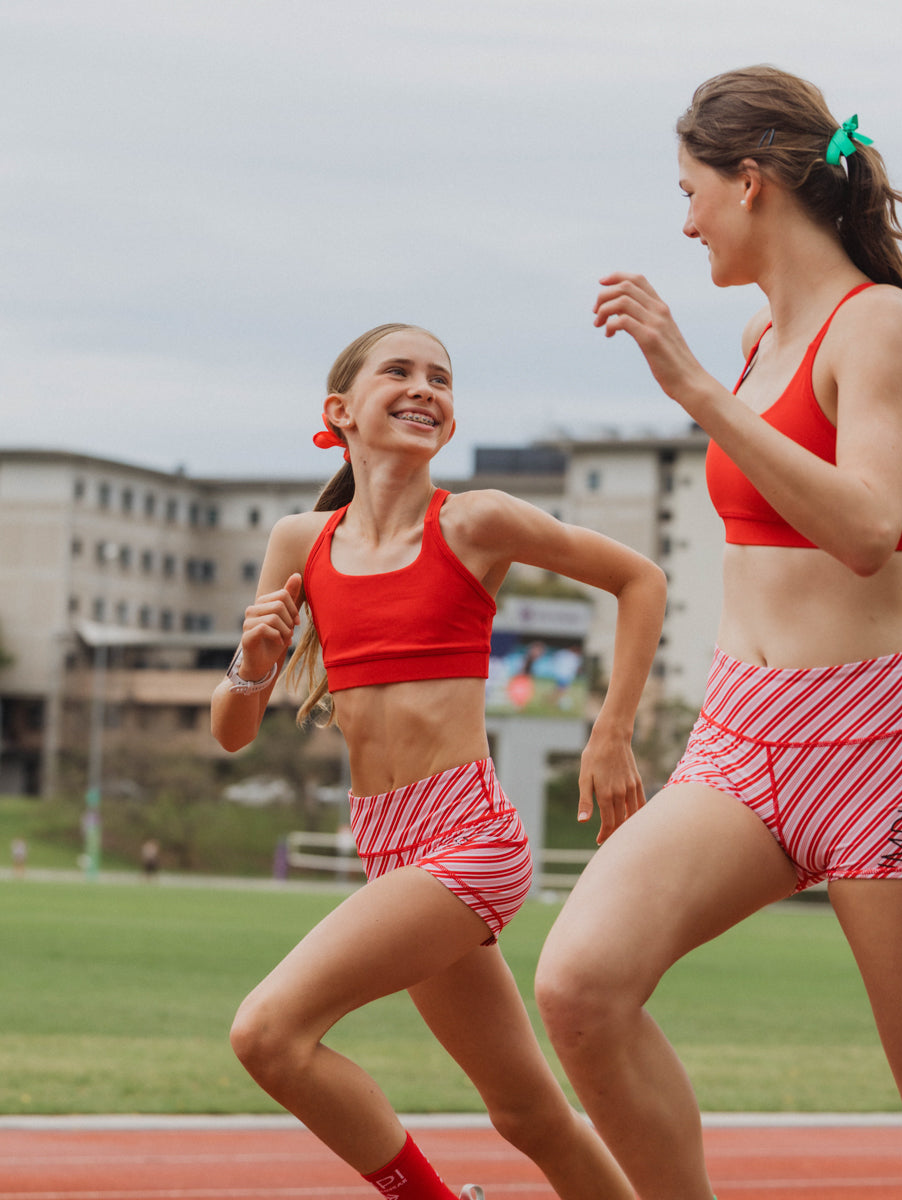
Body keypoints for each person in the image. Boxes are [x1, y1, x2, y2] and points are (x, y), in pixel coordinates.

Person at [535, 66, 902, 1200]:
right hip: (742, 740)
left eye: (691, 193)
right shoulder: (756, 331)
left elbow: (868, 528)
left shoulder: (878, 326)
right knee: (581, 987)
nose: (683, 222)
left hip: (877, 753)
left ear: (751, 182)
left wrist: (690, 386)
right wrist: (712, 374)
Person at [212, 322, 664, 1200]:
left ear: (449, 422)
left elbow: (640, 578)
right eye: (401, 372)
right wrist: (253, 664)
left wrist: (610, 733)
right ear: (340, 412)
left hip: (467, 837)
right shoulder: (299, 543)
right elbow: (232, 731)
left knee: (268, 1034)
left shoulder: (477, 520)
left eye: (441, 379)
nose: (426, 388)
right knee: (528, 1115)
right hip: (389, 845)